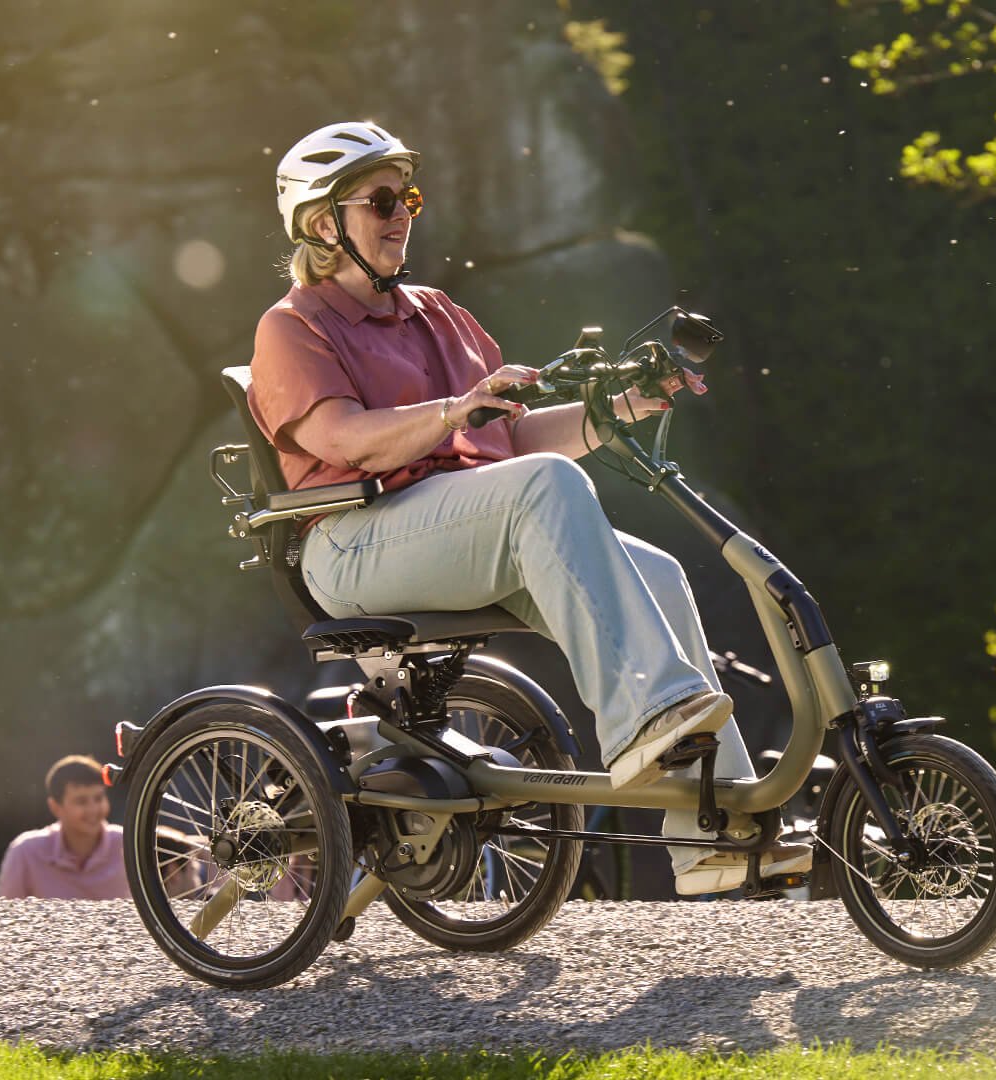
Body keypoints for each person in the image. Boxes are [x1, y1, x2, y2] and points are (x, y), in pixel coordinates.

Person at [250, 120, 806, 895]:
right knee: (547, 485)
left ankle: (714, 826)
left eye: (406, 196)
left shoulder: (436, 311)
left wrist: (624, 409)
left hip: (460, 531)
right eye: (379, 200)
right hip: (353, 545)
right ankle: (646, 721)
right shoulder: (293, 326)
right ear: (321, 223)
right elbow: (348, 439)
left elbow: (507, 438)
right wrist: (451, 410)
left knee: (661, 573)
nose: (401, 212)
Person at [0, 755, 130, 900]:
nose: (93, 809)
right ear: (55, 807)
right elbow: (7, 915)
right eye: (81, 801)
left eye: (98, 798)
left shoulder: (127, 844)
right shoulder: (25, 852)